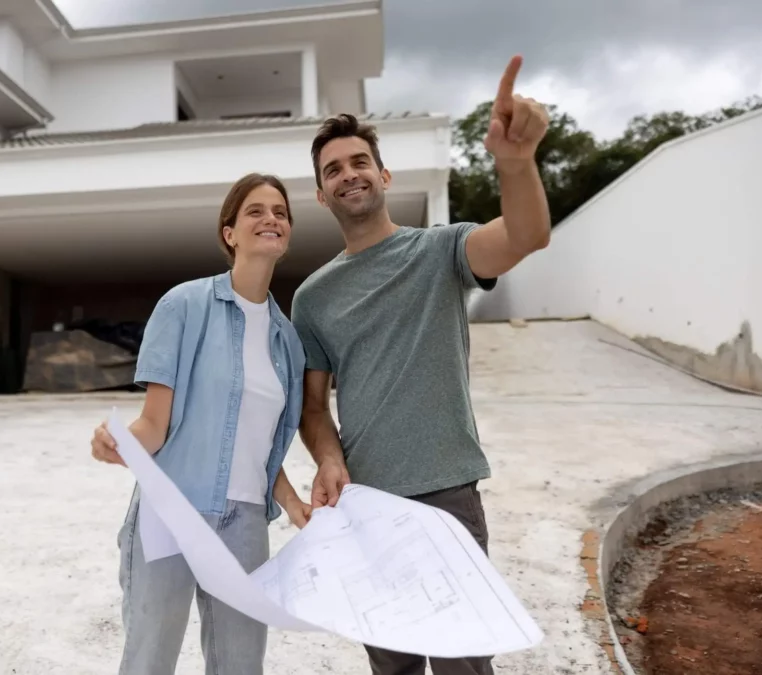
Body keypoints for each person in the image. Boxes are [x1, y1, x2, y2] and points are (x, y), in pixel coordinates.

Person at [290, 55, 551, 675]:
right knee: (395, 666)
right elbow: (311, 406)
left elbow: (525, 235)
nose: (348, 175)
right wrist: (328, 458)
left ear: (383, 174)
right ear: (321, 194)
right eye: (333, 170)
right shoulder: (312, 297)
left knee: (462, 663)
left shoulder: (442, 251)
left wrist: (514, 163)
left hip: (448, 492)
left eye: (359, 162)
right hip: (367, 502)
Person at [90, 173, 312, 675]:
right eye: (255, 210)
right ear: (229, 232)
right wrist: (119, 441)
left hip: (247, 524)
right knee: (151, 658)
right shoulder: (183, 306)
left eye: (280, 211)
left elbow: (260, 450)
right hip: (173, 512)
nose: (270, 218)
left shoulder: (287, 341)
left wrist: (295, 504)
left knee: (240, 664)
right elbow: (154, 424)